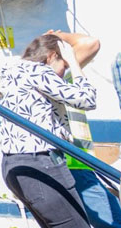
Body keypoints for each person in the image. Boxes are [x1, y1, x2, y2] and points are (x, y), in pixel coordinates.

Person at [0, 34, 97, 228]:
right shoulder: (39, 71)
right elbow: (87, 99)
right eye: (64, 66)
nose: (62, 73)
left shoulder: (11, 71)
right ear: (51, 56)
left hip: (12, 163)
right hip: (40, 162)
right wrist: (75, 66)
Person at [46, 31, 121, 228]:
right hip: (70, 161)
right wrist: (57, 35)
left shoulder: (32, 76)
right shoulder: (51, 74)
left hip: (72, 159)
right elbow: (91, 43)